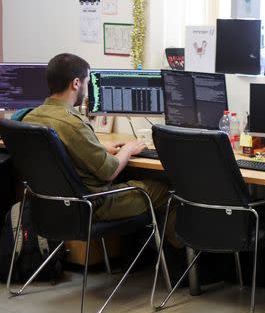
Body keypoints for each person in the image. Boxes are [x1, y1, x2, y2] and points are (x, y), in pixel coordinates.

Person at [23, 53, 181, 248]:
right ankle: (178, 266)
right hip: (93, 204)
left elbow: (61, 150)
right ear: (75, 83)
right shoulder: (73, 124)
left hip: (49, 208)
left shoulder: (31, 118)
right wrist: (129, 149)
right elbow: (109, 172)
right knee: (168, 190)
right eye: (86, 82)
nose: (87, 88)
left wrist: (97, 146)